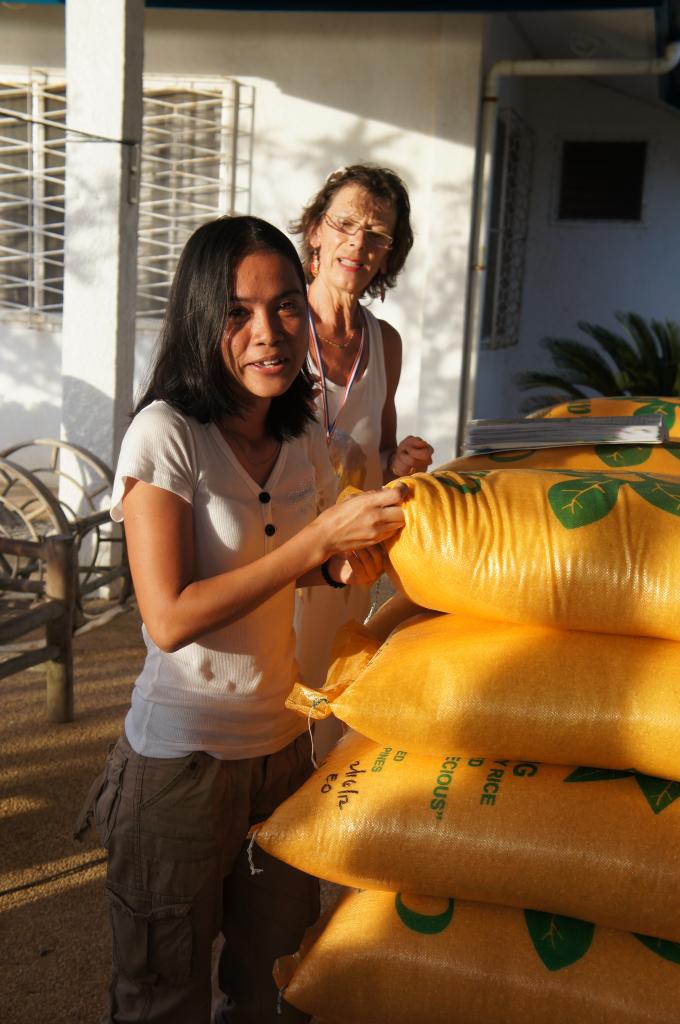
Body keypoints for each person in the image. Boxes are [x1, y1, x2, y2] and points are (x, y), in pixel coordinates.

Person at [74, 214, 406, 1024]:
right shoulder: (165, 436)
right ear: (199, 320)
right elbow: (168, 617)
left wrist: (348, 554)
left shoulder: (299, 435)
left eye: (287, 306)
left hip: (283, 755)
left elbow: (314, 557)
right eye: (238, 313)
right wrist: (314, 548)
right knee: (162, 999)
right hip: (179, 767)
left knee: (269, 983)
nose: (270, 333)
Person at [291, 164, 433, 694]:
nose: (357, 243)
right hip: (285, 558)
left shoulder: (385, 343)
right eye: (344, 224)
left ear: (389, 254)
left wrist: (400, 463)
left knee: (333, 696)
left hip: (351, 563)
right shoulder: (278, 328)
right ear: (315, 231)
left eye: (377, 235)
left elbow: (383, 450)